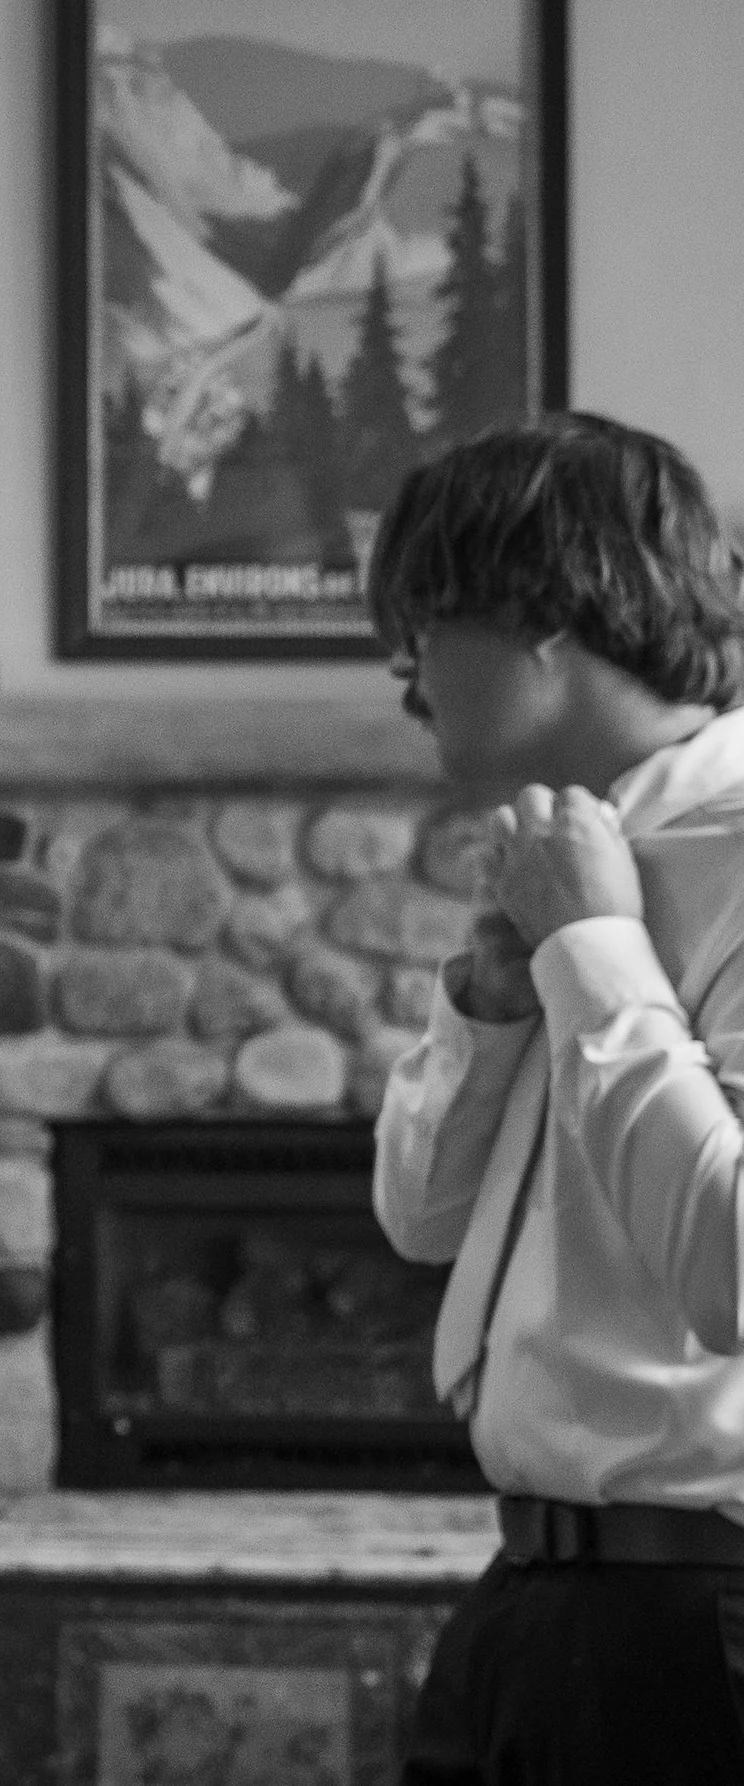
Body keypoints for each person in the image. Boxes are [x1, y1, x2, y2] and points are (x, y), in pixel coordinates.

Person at [371, 414, 744, 1784]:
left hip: (693, 1628)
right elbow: (419, 1222)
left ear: (542, 615)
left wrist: (598, 953)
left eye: (419, 624)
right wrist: (491, 1006)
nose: (403, 677)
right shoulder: (566, 850)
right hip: (530, 1605)